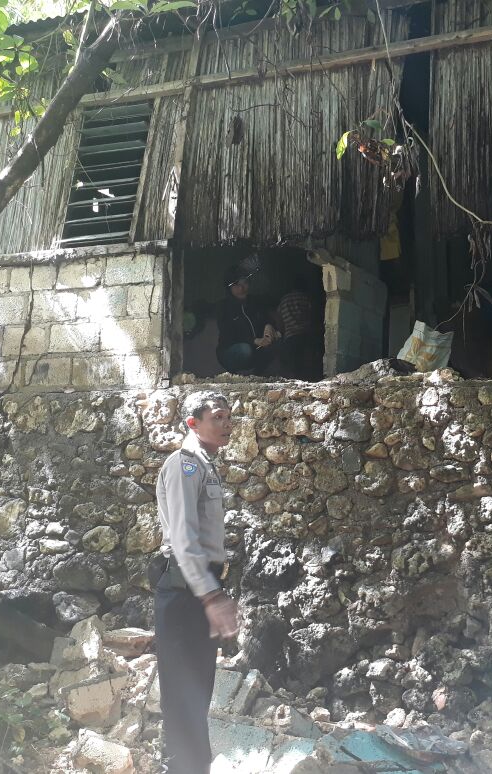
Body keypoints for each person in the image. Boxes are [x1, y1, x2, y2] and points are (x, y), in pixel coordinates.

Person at [150, 391, 239, 774]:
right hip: (185, 594)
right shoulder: (184, 465)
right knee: (183, 696)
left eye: (228, 417)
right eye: (217, 417)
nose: (226, 424)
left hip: (196, 593)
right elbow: (184, 541)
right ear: (192, 423)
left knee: (197, 692)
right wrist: (212, 597)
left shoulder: (204, 465)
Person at [216, 266, 278, 375]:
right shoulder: (224, 307)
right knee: (245, 349)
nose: (241, 288)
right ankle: (235, 375)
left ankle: (257, 374)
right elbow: (229, 335)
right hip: (230, 351)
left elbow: (266, 318)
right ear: (229, 288)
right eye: (236, 285)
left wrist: (269, 326)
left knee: (276, 343)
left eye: (244, 282)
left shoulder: (255, 302)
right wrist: (254, 341)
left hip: (256, 349)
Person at [275, 276, 319, 380]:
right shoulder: (306, 298)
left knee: (293, 364)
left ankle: (295, 383)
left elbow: (279, 318)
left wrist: (282, 332)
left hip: (290, 337)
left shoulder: (284, 300)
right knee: (306, 364)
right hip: (305, 335)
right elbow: (312, 315)